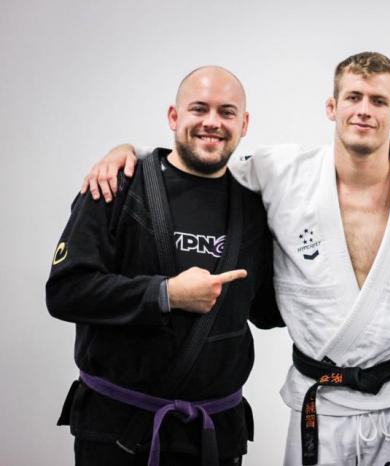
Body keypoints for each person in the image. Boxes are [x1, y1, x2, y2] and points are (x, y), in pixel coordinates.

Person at [79, 52, 390, 466]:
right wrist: (130, 152)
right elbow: (204, 155)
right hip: (319, 402)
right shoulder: (281, 171)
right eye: (354, 97)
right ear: (332, 106)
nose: (365, 110)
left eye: (379, 100)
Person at [46, 66, 282, 466]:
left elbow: (268, 310)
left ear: (244, 124)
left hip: (215, 437)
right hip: (117, 433)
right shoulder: (117, 185)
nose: (212, 122)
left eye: (226, 112)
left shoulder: (256, 208)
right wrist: (164, 294)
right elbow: (66, 292)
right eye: (199, 109)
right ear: (174, 117)